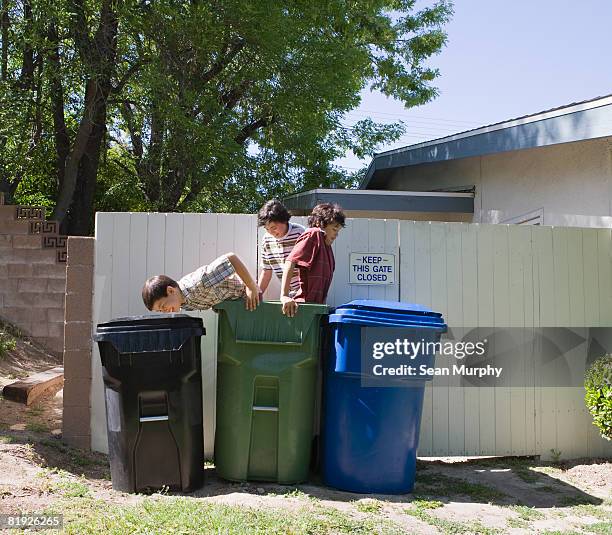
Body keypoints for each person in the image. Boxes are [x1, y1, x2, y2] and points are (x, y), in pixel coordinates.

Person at [280, 203, 345, 317]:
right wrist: (284, 295)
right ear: (320, 224)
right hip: (302, 308)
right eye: (334, 229)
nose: (336, 234)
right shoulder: (314, 234)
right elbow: (290, 261)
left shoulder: (327, 248)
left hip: (314, 309)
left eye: (338, 230)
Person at [142, 253, 260, 312]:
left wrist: (251, 287)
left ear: (170, 290)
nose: (165, 311)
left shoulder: (199, 283)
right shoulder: (183, 303)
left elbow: (231, 258)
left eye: (163, 306)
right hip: (234, 306)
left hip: (249, 297)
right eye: (160, 311)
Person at [257, 199, 305, 298]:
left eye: (273, 227)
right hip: (287, 293)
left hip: (306, 291)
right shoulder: (267, 240)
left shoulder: (300, 233)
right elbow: (266, 272)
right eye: (267, 229)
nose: (271, 232)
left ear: (283, 220)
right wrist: (258, 294)